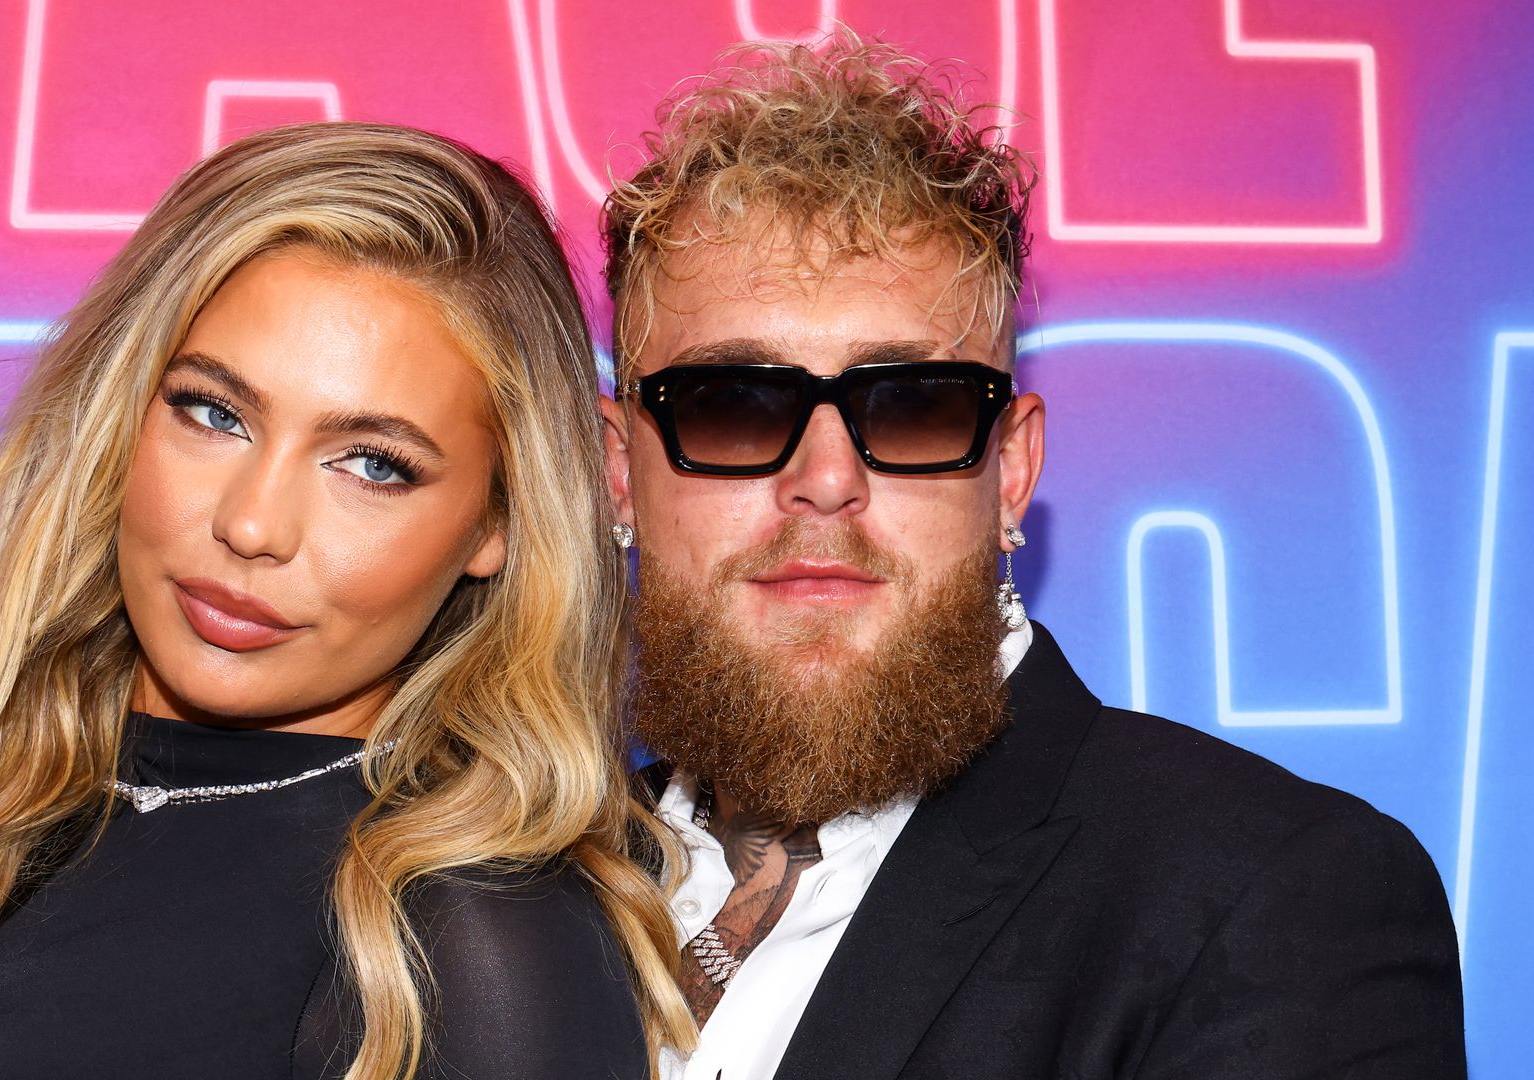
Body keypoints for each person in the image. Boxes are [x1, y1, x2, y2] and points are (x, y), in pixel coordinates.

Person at [0, 122, 691, 1080]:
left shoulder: (474, 938)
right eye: (213, 412)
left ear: (495, 524)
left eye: (372, 465)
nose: (253, 524)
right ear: (120, 413)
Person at [598, 32, 1465, 1079]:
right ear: (618, 473)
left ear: (1009, 470)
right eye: (732, 407)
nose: (825, 478)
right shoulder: (497, 886)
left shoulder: (1276, 899)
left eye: (912, 407)